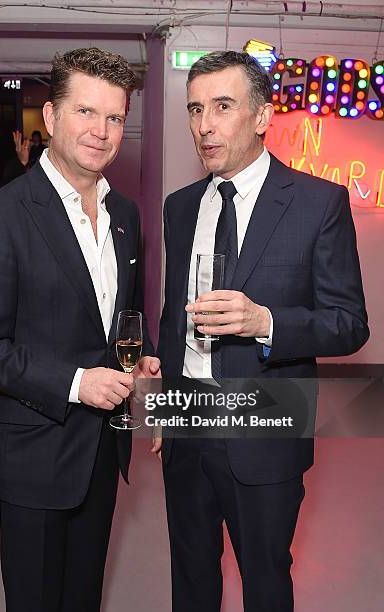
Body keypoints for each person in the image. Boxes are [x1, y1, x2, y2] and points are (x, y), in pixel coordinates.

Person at [155, 51, 369, 612]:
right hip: (187, 422)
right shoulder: (179, 208)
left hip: (267, 423)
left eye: (222, 107)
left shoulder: (318, 202)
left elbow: (349, 324)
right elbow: (174, 312)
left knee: (266, 578)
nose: (204, 125)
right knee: (191, 574)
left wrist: (266, 322)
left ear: (260, 116)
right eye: (195, 109)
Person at [0, 47, 160, 612]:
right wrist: (76, 383)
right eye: (85, 112)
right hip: (37, 450)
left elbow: (121, 316)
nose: (101, 131)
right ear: (50, 117)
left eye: (114, 117)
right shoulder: (0, 214)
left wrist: (142, 357)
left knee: (83, 598)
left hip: (104, 447)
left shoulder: (127, 215)